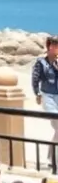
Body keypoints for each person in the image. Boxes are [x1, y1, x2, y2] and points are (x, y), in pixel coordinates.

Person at [33, 37, 58, 166]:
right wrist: (37, 93)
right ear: (49, 47)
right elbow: (35, 78)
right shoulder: (41, 62)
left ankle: (51, 158)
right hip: (48, 97)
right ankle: (54, 160)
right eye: (55, 45)